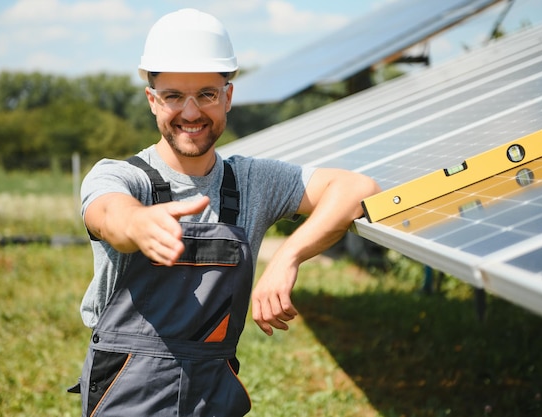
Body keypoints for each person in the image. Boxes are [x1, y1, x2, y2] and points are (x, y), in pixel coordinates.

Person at [73, 8, 380, 417]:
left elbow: (358, 189)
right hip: (127, 392)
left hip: (212, 395)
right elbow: (108, 212)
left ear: (228, 97)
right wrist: (137, 223)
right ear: (152, 101)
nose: (191, 112)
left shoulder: (252, 181)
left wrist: (288, 256)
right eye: (173, 96)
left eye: (206, 94)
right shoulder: (122, 177)